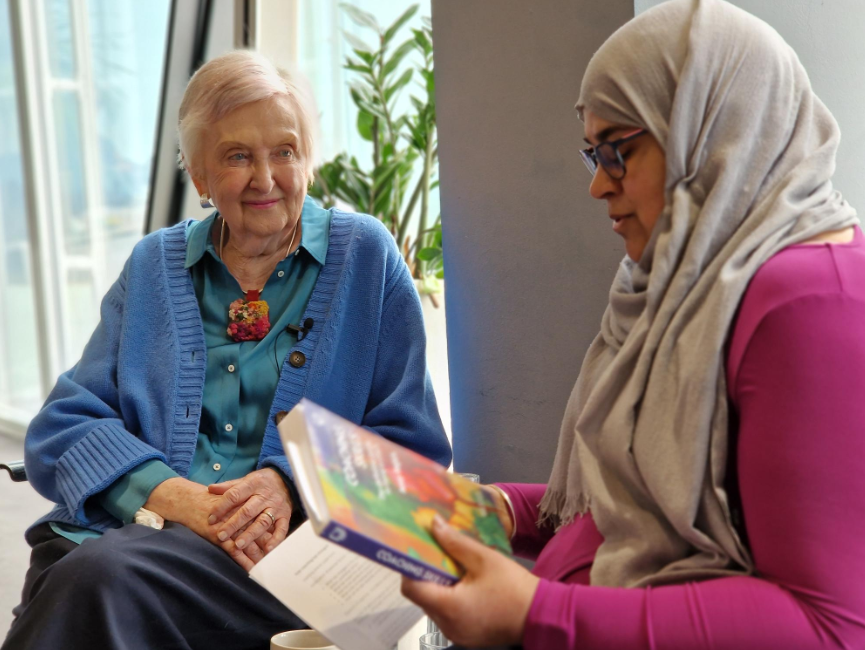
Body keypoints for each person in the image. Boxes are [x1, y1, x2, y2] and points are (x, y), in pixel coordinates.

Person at [401, 0, 865, 647]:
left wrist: (536, 611)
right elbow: (653, 499)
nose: (596, 186)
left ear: (709, 132)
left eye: (618, 151)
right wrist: (509, 510)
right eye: (593, 154)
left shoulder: (807, 301)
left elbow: (825, 628)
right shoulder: (687, 273)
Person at [3, 50, 451, 650]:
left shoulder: (365, 257)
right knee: (86, 573)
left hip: (289, 559)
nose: (265, 179)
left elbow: (412, 447)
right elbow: (63, 425)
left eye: (284, 151)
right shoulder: (154, 266)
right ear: (200, 178)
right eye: (238, 156)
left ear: (308, 161)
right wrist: (176, 497)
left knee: (92, 580)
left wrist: (288, 483)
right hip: (144, 535)